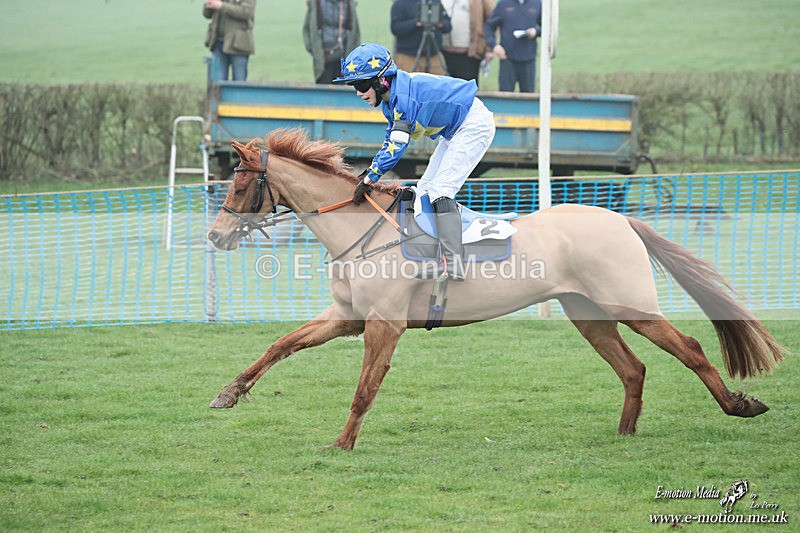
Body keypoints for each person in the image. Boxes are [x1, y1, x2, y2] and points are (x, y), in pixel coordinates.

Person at [332, 43, 496, 281]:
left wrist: (369, 177)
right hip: (456, 129)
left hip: (473, 125)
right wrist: (369, 173)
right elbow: (391, 140)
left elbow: (397, 147)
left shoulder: (403, 98)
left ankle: (454, 264)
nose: (358, 92)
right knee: (426, 190)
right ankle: (434, 256)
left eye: (361, 84)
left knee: (441, 190)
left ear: (381, 81)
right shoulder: (391, 99)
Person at [484, 0, 541, 92]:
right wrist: (494, 46)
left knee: (528, 99)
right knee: (505, 98)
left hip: (529, 60)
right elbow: (489, 27)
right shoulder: (503, 4)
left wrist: (536, 31)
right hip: (507, 59)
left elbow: (545, 27)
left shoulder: (537, 3)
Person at [303, 0, 361, 85]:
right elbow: (307, 28)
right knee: (323, 94)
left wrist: (353, 55)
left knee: (343, 93)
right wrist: (313, 50)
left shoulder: (348, 3)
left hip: (344, 60)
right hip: (323, 60)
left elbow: (355, 31)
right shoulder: (316, 3)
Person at [440, 0, 495, 87]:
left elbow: (492, 21)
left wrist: (489, 48)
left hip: (469, 54)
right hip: (442, 54)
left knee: (467, 91)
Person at [390, 0, 452, 75]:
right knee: (408, 83)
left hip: (433, 55)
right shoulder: (400, 3)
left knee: (440, 82)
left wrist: (439, 23)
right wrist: (417, 23)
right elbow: (396, 28)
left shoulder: (435, 2)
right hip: (408, 56)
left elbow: (448, 26)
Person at [203, 0, 257, 82]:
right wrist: (209, 4)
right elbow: (207, 14)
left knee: (239, 83)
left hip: (239, 45)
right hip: (218, 43)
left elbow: (246, 12)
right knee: (217, 84)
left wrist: (221, 6)